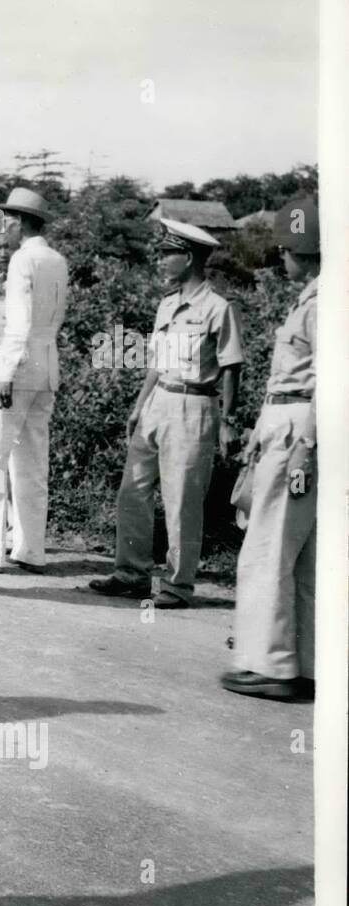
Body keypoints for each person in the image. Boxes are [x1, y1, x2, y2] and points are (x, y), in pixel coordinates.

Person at [90, 219, 244, 608]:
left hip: (194, 406)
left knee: (181, 500)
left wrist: (228, 420)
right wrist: (139, 407)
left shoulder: (217, 308)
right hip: (158, 401)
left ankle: (177, 585)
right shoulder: (167, 304)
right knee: (133, 490)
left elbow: (231, 366)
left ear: (188, 258)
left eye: (166, 254)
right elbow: (158, 363)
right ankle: (131, 573)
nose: (159, 261)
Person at [222, 197, 319, 701]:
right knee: (301, 559)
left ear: (302, 252)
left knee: (267, 551)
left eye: (285, 249)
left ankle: (269, 665)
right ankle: (302, 663)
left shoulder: (323, 302)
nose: (280, 259)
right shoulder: (315, 297)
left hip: (298, 433)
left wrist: (305, 448)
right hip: (288, 427)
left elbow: (328, 382)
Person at [0, 187, 68, 574]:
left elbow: (18, 323)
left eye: (7, 220)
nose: (4, 226)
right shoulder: (57, 260)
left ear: (20, 221)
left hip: (17, 367)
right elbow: (53, 321)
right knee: (34, 464)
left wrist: (4, 374)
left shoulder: (23, 259)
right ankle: (30, 550)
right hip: (46, 367)